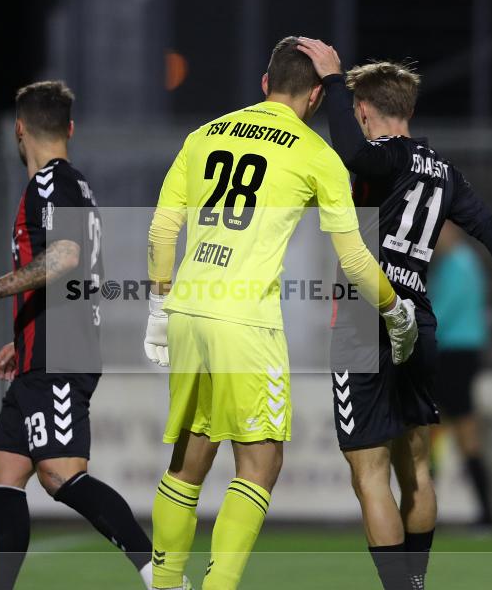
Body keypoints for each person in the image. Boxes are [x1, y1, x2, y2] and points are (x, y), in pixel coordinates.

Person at [142, 36, 418, 590]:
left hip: (188, 309)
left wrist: (157, 307)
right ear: (317, 97)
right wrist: (395, 311)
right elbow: (354, 257)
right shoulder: (315, 154)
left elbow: (162, 229)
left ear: (265, 83)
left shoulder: (203, 135)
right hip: (246, 320)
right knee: (261, 464)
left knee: (189, 458)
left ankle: (166, 582)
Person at [297, 38, 492, 590]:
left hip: (366, 316)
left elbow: (355, 155)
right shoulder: (444, 172)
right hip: (419, 316)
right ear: (408, 108)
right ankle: (415, 584)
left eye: (355, 110)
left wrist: (335, 82)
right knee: (414, 466)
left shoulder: (382, 155)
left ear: (364, 110)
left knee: (370, 474)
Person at [0, 81, 155, 589]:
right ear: (70, 128)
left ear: (18, 129)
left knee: (61, 473)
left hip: (59, 354)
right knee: (4, 473)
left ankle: (162, 576)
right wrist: (23, 335)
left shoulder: (50, 184)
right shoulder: (75, 186)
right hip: (41, 348)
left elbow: (65, 257)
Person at [430, 223, 492, 526]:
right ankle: (424, 512)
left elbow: (443, 312)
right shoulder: (452, 264)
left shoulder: (460, 264)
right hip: (453, 352)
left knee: (458, 430)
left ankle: (487, 515)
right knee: (434, 430)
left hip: (455, 354)